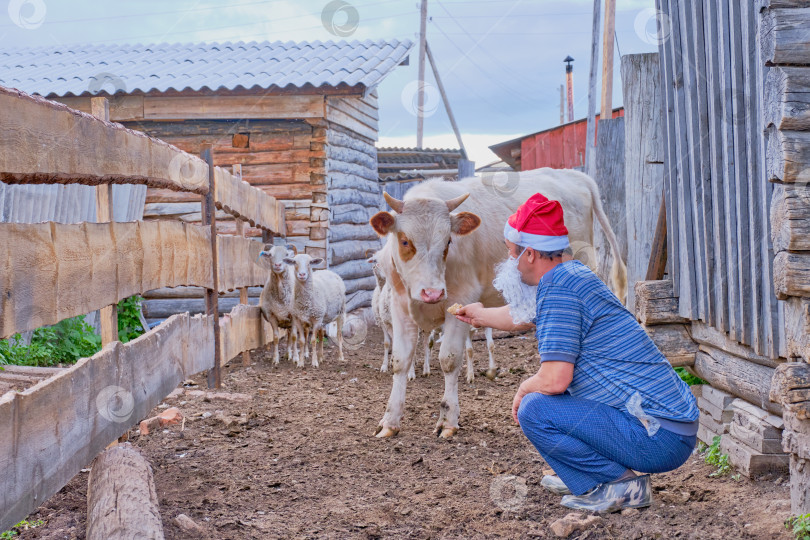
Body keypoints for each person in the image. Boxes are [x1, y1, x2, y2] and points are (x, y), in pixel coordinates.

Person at [454, 193, 698, 513]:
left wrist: (522, 389)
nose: (509, 261)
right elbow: (522, 316)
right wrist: (479, 314)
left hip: (657, 436)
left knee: (535, 409)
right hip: (668, 428)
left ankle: (621, 486)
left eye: (511, 252)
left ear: (529, 254)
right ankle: (585, 474)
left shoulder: (560, 288)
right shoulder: (572, 276)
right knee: (547, 403)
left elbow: (555, 379)